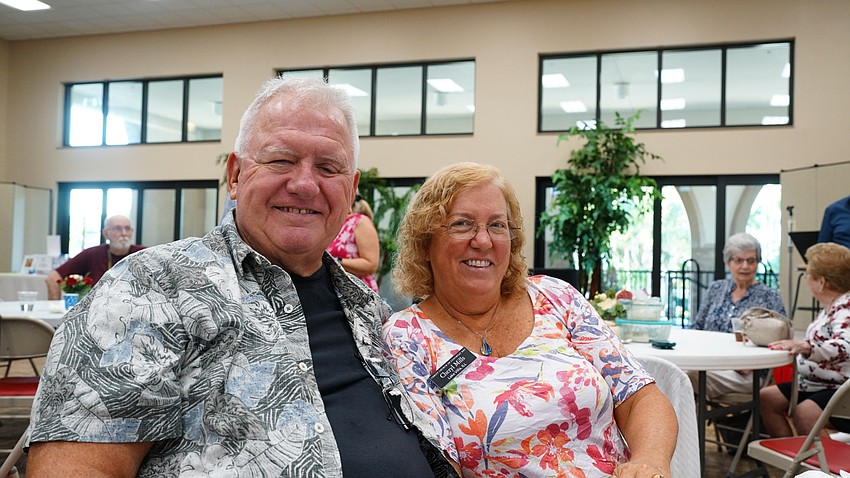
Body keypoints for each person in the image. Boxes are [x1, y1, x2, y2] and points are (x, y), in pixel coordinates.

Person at [26, 77, 455, 477]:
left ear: (350, 190)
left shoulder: (370, 312)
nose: (305, 184)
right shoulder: (151, 287)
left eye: (328, 168)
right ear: (235, 175)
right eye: (281, 159)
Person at [383, 162, 677, 478]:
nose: (483, 241)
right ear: (425, 242)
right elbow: (440, 465)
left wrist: (649, 462)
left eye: (497, 225)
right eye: (462, 224)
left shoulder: (556, 297)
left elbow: (638, 396)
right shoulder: (408, 336)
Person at [760, 242, 850, 437]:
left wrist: (808, 346)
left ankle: (821, 466)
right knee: (767, 398)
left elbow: (845, 345)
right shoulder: (831, 307)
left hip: (840, 388)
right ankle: (791, 460)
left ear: (821, 282)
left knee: (805, 414)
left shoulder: (846, 309)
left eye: (809, 273)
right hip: (813, 382)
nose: (806, 277)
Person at [690, 232, 787, 398]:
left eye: (751, 260)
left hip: (747, 372)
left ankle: (687, 423)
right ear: (728, 262)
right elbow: (697, 327)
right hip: (708, 362)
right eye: (738, 260)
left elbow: (780, 340)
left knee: (688, 377)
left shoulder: (770, 296)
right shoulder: (716, 289)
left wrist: (751, 362)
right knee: (674, 372)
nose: (745, 266)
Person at [44, 214, 144, 299]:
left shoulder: (144, 254)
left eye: (127, 229)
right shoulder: (93, 254)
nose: (124, 233)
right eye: (117, 229)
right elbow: (52, 278)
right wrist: (55, 307)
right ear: (105, 233)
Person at [327, 194, 380, 292]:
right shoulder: (333, 223)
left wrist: (335, 261)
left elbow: (371, 264)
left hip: (358, 293)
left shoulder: (360, 222)